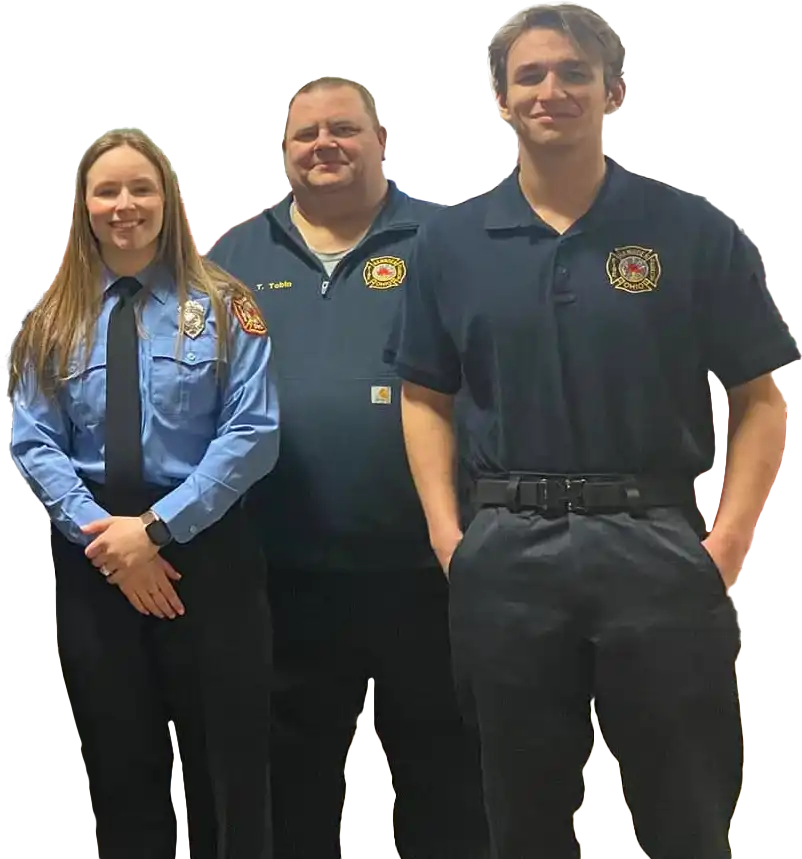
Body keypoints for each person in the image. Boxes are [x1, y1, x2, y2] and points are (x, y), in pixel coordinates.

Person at [388, 4, 801, 859]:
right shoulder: (450, 243)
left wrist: (726, 543)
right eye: (530, 76)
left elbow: (762, 393)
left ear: (614, 92)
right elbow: (423, 393)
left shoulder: (691, 230)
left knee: (685, 813)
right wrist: (449, 536)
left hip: (655, 544)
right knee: (521, 818)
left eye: (575, 73)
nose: (552, 91)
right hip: (505, 553)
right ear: (498, 100)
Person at [207, 76, 489, 859]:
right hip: (283, 575)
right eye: (306, 134)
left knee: (446, 784)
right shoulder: (235, 252)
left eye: (344, 128)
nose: (324, 144)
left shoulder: (446, 242)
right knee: (290, 788)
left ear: (382, 141)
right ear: (286, 152)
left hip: (427, 573)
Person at [7, 129, 279, 859]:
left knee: (228, 768)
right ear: (83, 206)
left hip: (206, 557)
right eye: (107, 190)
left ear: (169, 201)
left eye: (141, 188)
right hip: (96, 563)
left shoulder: (225, 303)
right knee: (119, 764)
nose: (124, 205)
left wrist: (154, 531)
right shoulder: (52, 317)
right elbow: (33, 441)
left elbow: (253, 431)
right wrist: (110, 539)